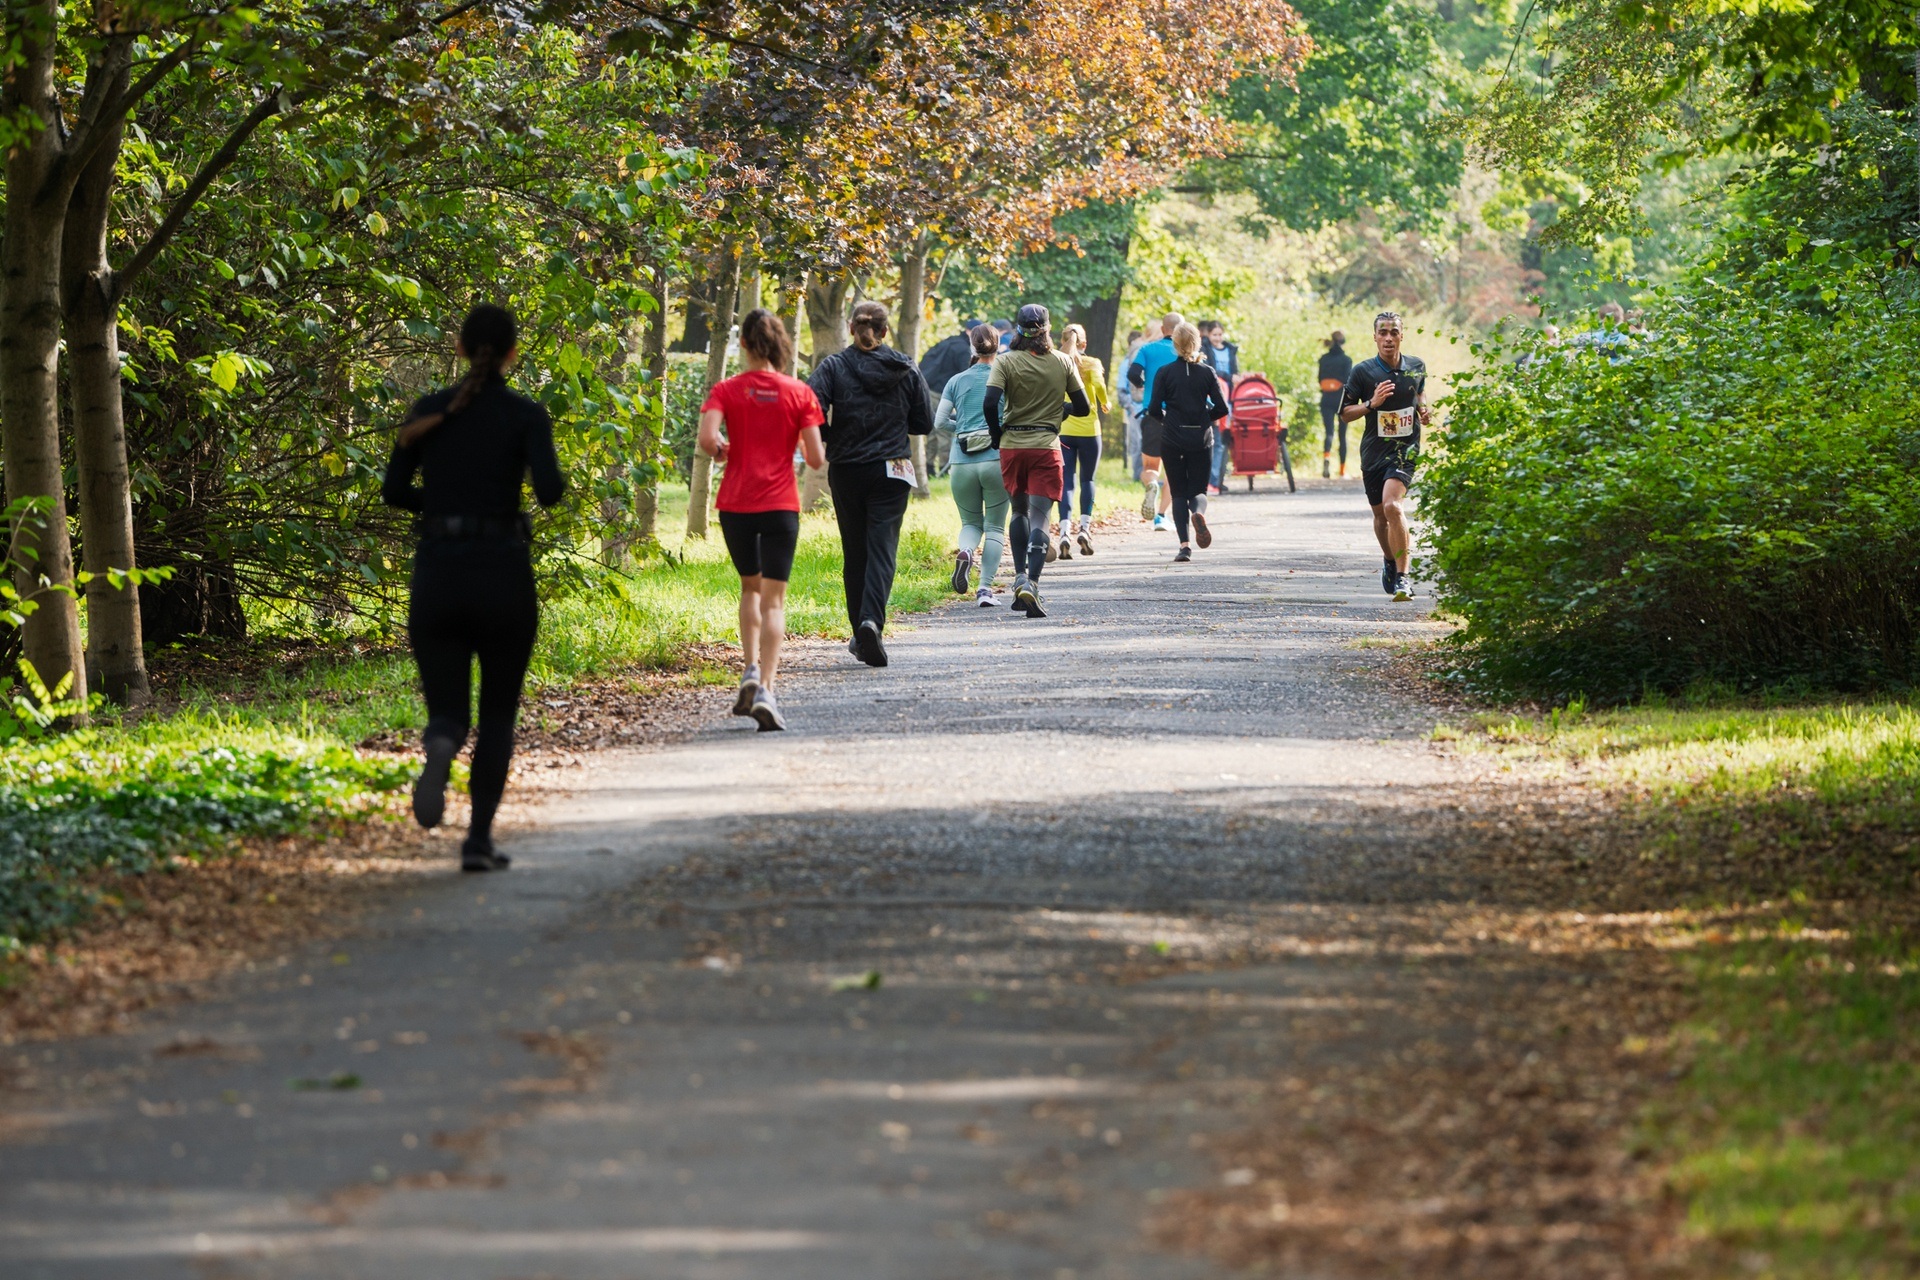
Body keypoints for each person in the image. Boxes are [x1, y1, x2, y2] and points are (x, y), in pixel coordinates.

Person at [383, 303, 565, 873]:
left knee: (449, 710)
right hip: (502, 575)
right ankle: (478, 841)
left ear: (460, 348)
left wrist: (441, 503)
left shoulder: (429, 411)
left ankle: (441, 742)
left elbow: (393, 492)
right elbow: (551, 492)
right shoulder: (525, 415)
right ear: (512, 353)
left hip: (439, 575)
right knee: (498, 715)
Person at [697, 309, 827, 731]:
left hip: (735, 505)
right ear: (779, 344)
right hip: (780, 507)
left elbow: (707, 440)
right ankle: (767, 689)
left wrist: (724, 450)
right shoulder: (799, 392)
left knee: (749, 588)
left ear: (744, 344)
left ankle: (750, 668)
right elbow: (815, 458)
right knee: (774, 600)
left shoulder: (726, 390)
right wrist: (793, 445)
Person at [809, 300, 933, 667]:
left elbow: (810, 408)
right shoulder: (905, 366)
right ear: (885, 331)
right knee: (882, 549)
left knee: (856, 552)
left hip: (847, 468)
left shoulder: (833, 366)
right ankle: (870, 623)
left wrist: (832, 434)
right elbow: (923, 423)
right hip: (892, 468)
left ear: (851, 328)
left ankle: (860, 633)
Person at [984, 303, 1090, 618]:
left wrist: (996, 435)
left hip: (1013, 444)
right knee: (1041, 515)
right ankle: (1032, 582)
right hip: (1046, 445)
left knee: (1018, 511)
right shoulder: (1063, 361)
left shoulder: (1005, 361)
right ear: (1047, 328)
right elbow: (1083, 407)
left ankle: (1019, 575)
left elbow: (990, 402)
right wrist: (1061, 410)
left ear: (1018, 328)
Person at [1338, 311, 1430, 602]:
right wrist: (1371, 403)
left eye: (1394, 332)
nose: (1388, 338)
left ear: (1402, 335)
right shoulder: (1362, 372)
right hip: (1374, 453)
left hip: (1405, 450)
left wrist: (1423, 408)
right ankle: (1390, 561)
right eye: (1383, 333)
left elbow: (1420, 393)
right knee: (1380, 515)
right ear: (1375, 337)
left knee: (1393, 506)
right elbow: (1344, 414)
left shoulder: (1416, 366)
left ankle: (1403, 578)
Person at [1145, 321, 1230, 563]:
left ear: (1175, 343)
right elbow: (1222, 408)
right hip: (1200, 438)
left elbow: (1153, 409)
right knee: (1199, 490)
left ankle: (1184, 546)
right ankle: (1199, 513)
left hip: (1172, 438)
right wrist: (1204, 418)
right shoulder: (1207, 372)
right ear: (1198, 342)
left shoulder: (1165, 372)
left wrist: (1168, 420)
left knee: (1179, 493)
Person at [936, 324, 1008, 607]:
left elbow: (940, 421)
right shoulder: (1005, 377)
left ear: (972, 347)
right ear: (998, 346)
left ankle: (966, 551)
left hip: (961, 462)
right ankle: (985, 590)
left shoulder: (956, 381)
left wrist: (965, 428)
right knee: (995, 528)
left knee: (970, 523)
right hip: (996, 459)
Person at [1054, 323, 1109, 559]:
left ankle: (1064, 532)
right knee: (1088, 479)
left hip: (1064, 430)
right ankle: (1085, 529)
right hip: (1090, 432)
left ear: (1062, 341)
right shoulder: (1092, 363)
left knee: (1066, 481)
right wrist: (1105, 402)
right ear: (1084, 343)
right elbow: (1099, 387)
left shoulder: (1057, 362)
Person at [1126, 312, 1184, 530]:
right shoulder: (1186, 351)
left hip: (1153, 415)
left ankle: (1151, 484)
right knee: (1174, 470)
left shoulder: (1147, 349)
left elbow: (1133, 374)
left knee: (1150, 466)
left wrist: (1144, 385)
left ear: (1162, 329)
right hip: (1179, 418)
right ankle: (1161, 516)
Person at [917, 318, 980, 471]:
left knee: (932, 431)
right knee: (943, 431)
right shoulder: (963, 349)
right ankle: (944, 467)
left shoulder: (949, 341)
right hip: (941, 393)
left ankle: (929, 467)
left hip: (927, 389)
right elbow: (966, 375)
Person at [1202, 322, 1240, 492]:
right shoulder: (1204, 349)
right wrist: (1228, 376)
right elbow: (1210, 370)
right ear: (1209, 335)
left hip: (1227, 398)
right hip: (1212, 397)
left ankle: (1216, 479)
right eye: (1214, 335)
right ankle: (1209, 479)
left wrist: (1235, 378)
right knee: (1213, 440)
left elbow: (1235, 370)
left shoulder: (1230, 349)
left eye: (1220, 334)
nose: (1217, 338)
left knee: (1221, 441)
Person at [1317, 330, 1354, 478]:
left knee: (1329, 433)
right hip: (1341, 400)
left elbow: (1319, 379)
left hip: (1326, 398)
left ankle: (1326, 458)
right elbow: (1349, 381)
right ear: (1343, 342)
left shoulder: (1323, 359)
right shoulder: (1347, 360)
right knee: (1342, 435)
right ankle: (1342, 470)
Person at [1120, 323, 1154, 482]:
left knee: (1148, 443)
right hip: (1135, 408)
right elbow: (1121, 389)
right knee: (1137, 444)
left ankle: (1148, 475)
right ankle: (1138, 476)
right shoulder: (1126, 363)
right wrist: (1131, 407)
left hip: (1148, 407)